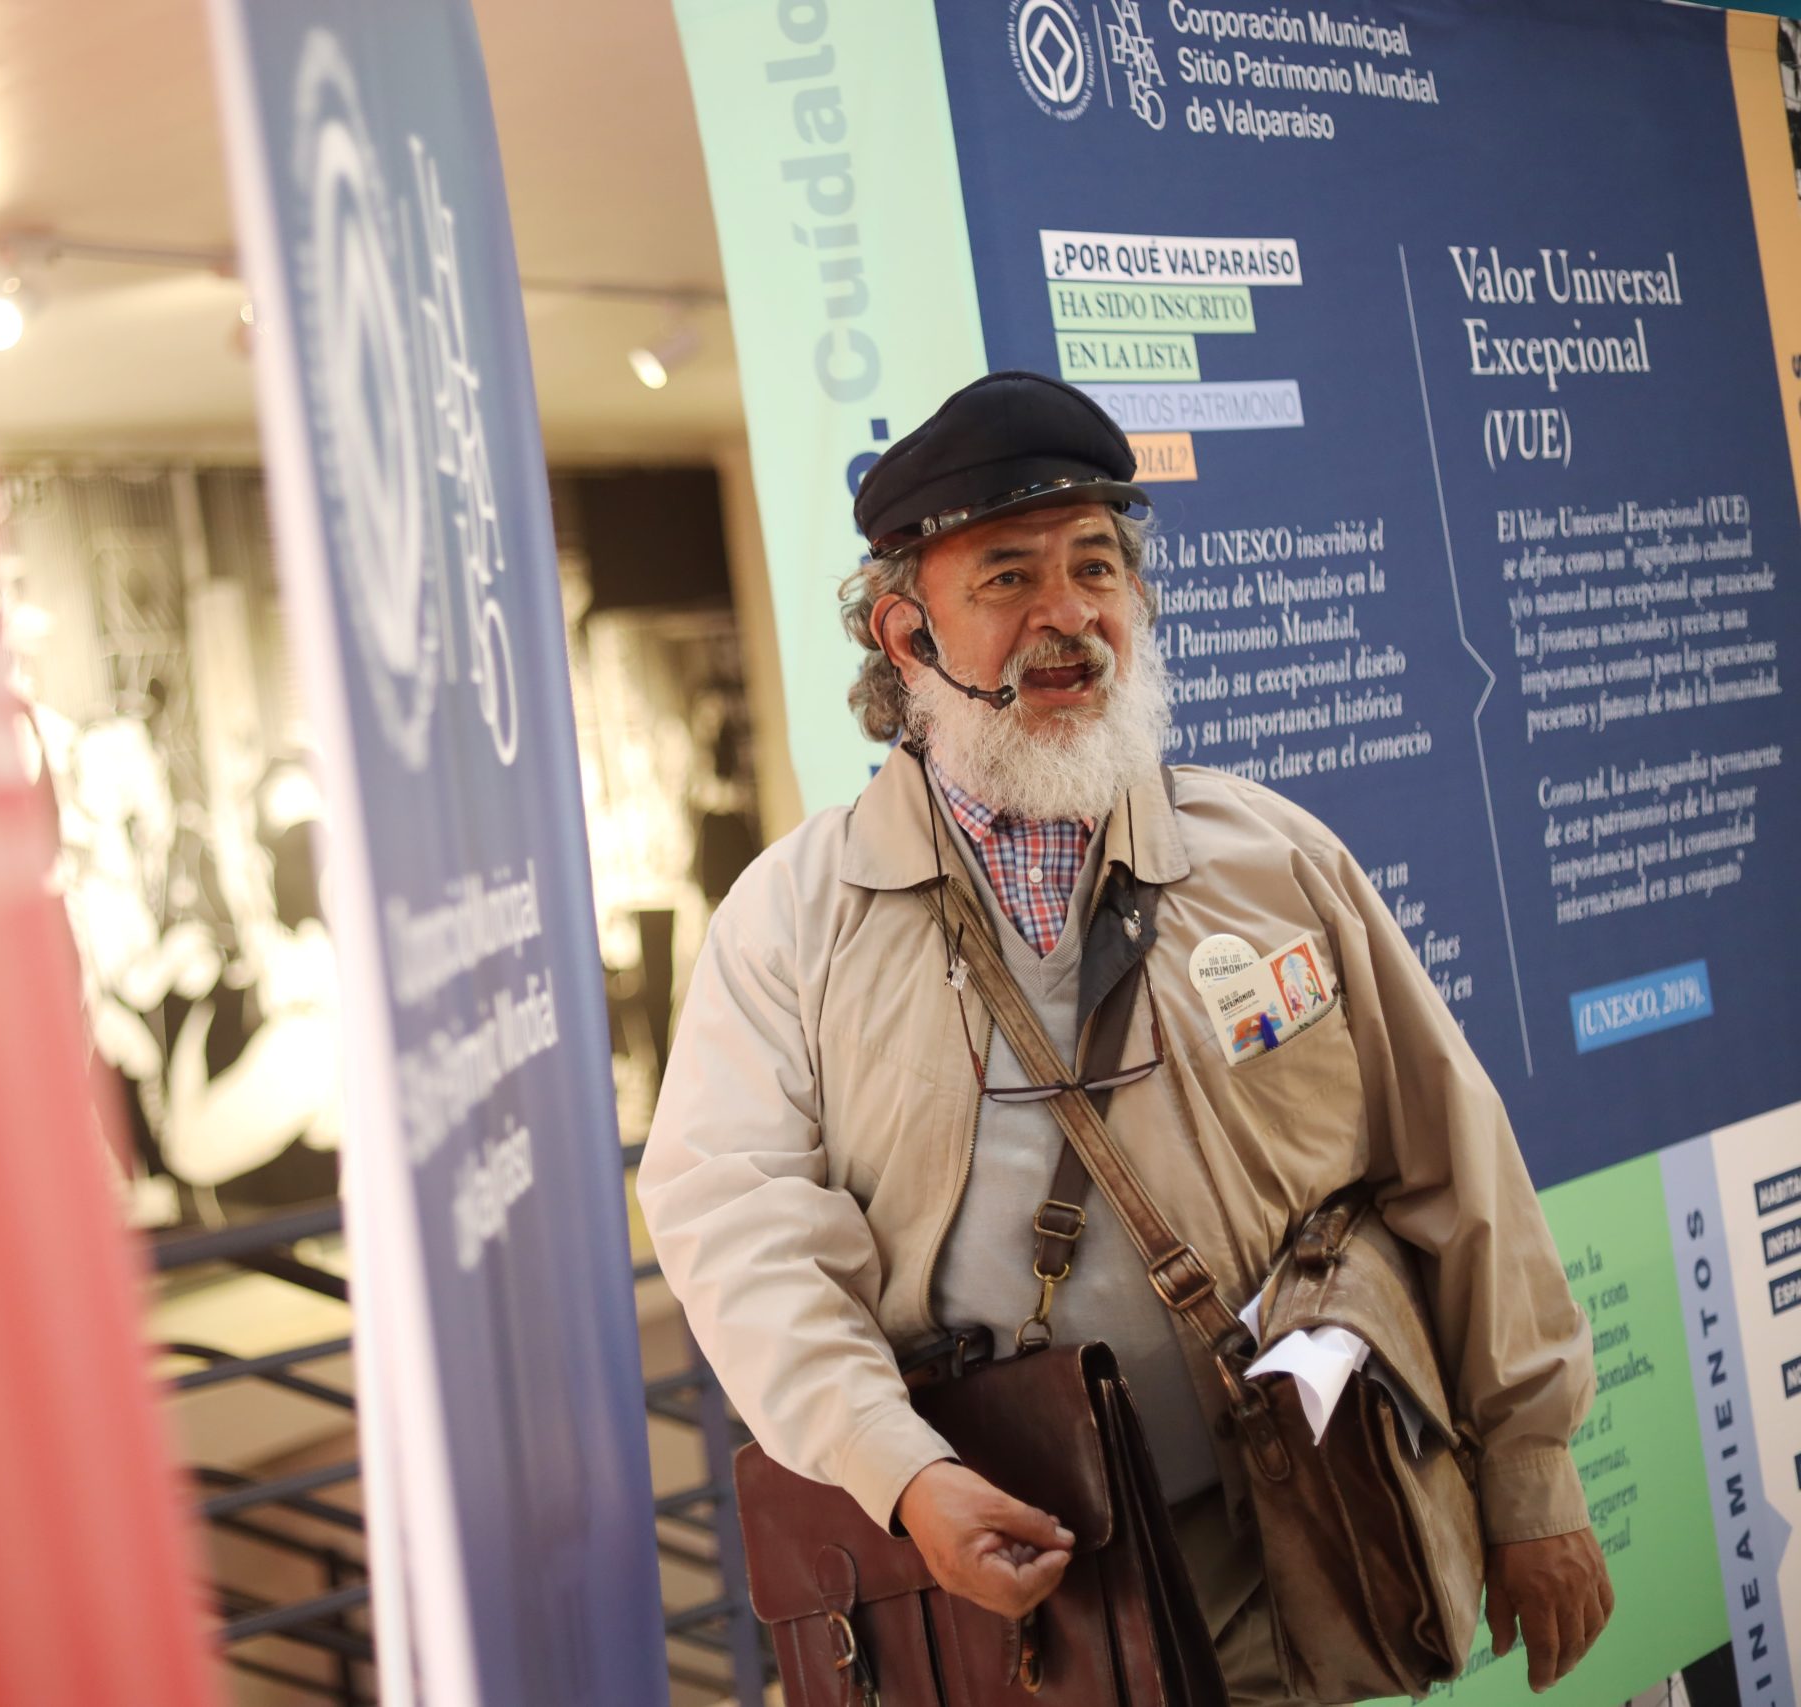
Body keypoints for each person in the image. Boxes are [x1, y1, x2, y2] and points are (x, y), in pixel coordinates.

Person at [638, 372, 1611, 1701]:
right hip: (1017, 1597)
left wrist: (1535, 1477)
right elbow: (735, 1230)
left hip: (1305, 1547)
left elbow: (1455, 1163)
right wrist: (894, 1466)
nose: (1070, 616)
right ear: (904, 633)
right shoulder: (792, 924)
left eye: (1097, 567)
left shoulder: (1272, 860)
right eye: (1007, 578)